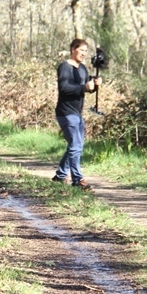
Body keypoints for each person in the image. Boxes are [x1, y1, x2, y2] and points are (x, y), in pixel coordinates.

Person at [52, 38, 102, 191]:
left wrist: (95, 85)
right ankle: (77, 179)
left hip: (77, 113)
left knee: (76, 146)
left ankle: (60, 175)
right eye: (81, 50)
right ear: (73, 49)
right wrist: (84, 87)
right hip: (66, 112)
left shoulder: (82, 69)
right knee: (75, 146)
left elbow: (86, 88)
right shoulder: (65, 67)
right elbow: (64, 87)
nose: (84, 54)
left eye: (86, 51)